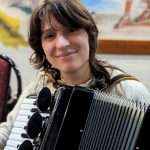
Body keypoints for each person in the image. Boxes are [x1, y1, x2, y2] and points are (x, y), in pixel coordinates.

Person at [0, 0, 150, 149]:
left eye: (71, 30)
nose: (62, 44)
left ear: (89, 35)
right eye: (50, 35)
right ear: (42, 47)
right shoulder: (42, 82)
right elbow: (7, 132)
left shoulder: (128, 91)